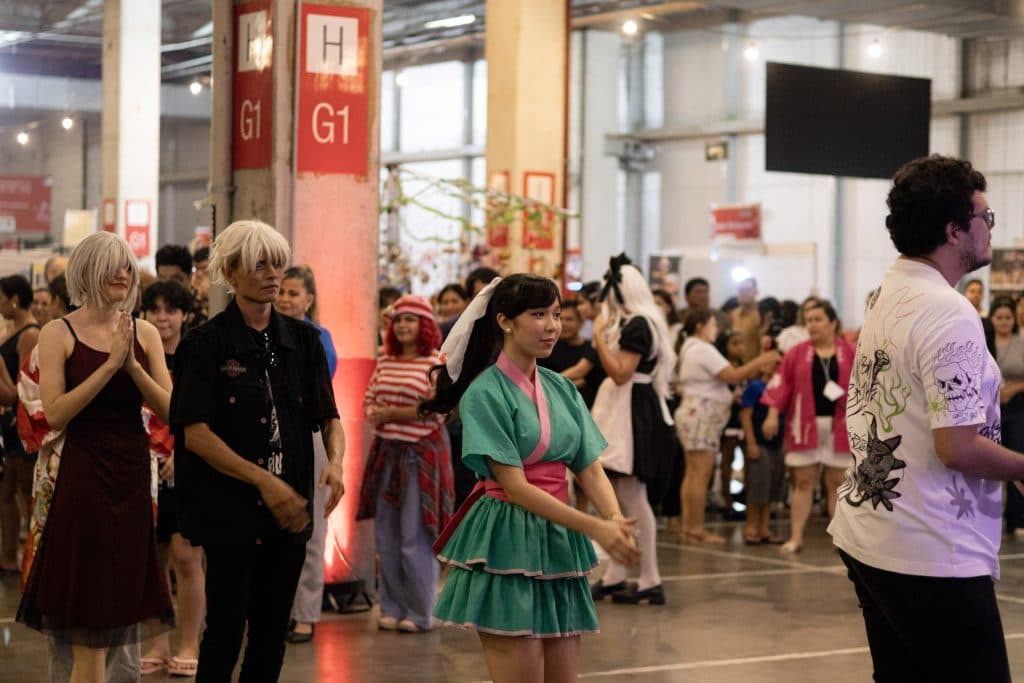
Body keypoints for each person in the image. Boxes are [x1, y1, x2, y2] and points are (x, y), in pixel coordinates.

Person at [829, 155, 1019, 682]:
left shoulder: (890, 290)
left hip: (875, 531)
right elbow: (957, 447)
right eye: (985, 217)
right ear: (954, 230)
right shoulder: (948, 311)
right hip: (930, 547)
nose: (990, 228)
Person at [424, 273, 637, 682]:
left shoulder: (561, 388)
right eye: (538, 315)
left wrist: (614, 519)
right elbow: (516, 488)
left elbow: (589, 466)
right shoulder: (484, 393)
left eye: (555, 314)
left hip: (559, 537)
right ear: (505, 321)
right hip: (508, 538)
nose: (552, 326)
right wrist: (595, 526)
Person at [170, 219, 344, 683]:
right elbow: (196, 434)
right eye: (259, 264)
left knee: (270, 637)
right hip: (230, 513)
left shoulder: (304, 341)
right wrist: (264, 481)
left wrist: (337, 462)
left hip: (289, 515)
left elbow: (329, 417)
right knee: (224, 633)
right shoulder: (204, 344)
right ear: (230, 271)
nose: (272, 274)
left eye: (278, 264)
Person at [17, 231, 176, 682]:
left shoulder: (144, 332)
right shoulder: (58, 332)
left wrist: (132, 367)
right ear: (89, 271)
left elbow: (172, 411)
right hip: (83, 471)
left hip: (131, 472)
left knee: (121, 598)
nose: (123, 274)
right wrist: (109, 366)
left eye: (127, 266)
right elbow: (56, 412)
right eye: (112, 267)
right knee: (88, 607)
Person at [356, 295, 452, 633]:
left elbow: (438, 409)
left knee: (416, 536)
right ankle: (392, 607)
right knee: (386, 536)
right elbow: (369, 399)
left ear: (424, 325)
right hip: (387, 452)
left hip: (420, 456)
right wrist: (378, 414)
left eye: (410, 319)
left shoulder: (436, 362)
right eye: (398, 320)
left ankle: (421, 612)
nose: (402, 326)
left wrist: (392, 413)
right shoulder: (386, 361)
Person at [589, 255, 676, 605]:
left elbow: (621, 373)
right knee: (620, 496)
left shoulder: (638, 324)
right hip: (626, 410)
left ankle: (649, 578)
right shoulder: (640, 321)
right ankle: (617, 573)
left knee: (632, 496)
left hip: (631, 413)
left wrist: (598, 337)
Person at [138, 279, 205, 677]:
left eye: (171, 310)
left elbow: (205, 414)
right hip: (143, 467)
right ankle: (158, 643)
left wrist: (183, 453)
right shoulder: (137, 354)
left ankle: (190, 642)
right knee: (153, 559)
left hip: (188, 467)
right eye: (155, 310)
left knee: (187, 556)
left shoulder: (196, 354)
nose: (162, 318)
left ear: (184, 314)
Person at [274, 264, 338, 643]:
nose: (284, 299)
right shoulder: (263, 332)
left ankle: (306, 613)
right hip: (272, 433)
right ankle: (278, 608)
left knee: (310, 526)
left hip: (309, 432)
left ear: (308, 300)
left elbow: (319, 395)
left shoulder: (318, 338)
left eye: (293, 293)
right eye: (281, 291)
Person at [676, 310, 777, 544]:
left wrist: (728, 397)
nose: (715, 329)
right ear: (701, 326)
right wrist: (761, 361)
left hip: (694, 412)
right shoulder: (702, 348)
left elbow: (709, 383)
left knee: (692, 474)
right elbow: (733, 375)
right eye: (712, 324)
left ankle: (689, 528)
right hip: (702, 416)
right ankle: (696, 529)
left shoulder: (689, 347)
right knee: (700, 475)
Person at [761, 300, 854, 554]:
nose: (812, 324)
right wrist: (772, 415)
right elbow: (782, 385)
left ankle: (841, 541)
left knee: (838, 484)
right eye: (809, 320)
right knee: (803, 483)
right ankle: (796, 537)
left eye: (817, 319)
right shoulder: (796, 353)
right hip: (803, 425)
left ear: (833, 323)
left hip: (841, 426)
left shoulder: (851, 351)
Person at [0, 274, 38, 576]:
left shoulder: (29, 334)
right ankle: (9, 556)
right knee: (6, 490)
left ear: (14, 299)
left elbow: (26, 386)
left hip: (20, 420)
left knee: (26, 491)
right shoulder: (11, 331)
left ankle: (30, 560)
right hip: (9, 419)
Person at [739, 353, 785, 544]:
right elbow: (746, 415)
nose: (776, 367)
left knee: (771, 486)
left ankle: (764, 527)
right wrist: (751, 442)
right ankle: (751, 526)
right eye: (773, 363)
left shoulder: (781, 388)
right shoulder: (755, 387)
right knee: (758, 484)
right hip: (758, 442)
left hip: (777, 443)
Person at [989, 297, 1024, 533]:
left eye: (1007, 318)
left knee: (1015, 459)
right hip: (989, 410)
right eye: (999, 317)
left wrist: (1012, 389)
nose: (1003, 322)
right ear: (991, 319)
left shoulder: (1021, 343)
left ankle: (1015, 518)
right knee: (989, 462)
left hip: (1018, 408)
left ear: (1014, 319)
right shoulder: (984, 341)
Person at [731, 277, 762, 363]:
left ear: (756, 292)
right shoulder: (734, 314)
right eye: (741, 290)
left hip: (756, 365)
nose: (744, 293)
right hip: (737, 366)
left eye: (748, 290)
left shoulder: (761, 313)